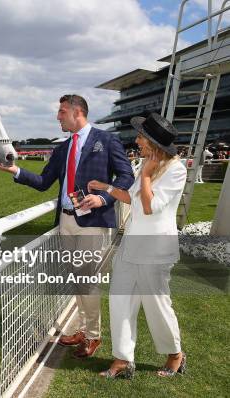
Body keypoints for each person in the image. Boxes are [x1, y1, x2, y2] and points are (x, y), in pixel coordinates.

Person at [0, 94, 134, 358]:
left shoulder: (107, 140)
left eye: (61, 112)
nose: (58, 117)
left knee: (87, 278)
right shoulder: (62, 149)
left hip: (93, 220)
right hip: (66, 220)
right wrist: (15, 171)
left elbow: (127, 176)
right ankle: (83, 328)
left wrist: (103, 197)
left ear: (77, 112)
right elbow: (44, 181)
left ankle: (93, 336)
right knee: (77, 278)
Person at [89, 113, 187, 379]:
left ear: (154, 143)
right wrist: (106, 188)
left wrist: (145, 175)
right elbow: (132, 198)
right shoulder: (145, 163)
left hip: (155, 250)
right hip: (130, 246)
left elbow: (150, 205)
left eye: (141, 137)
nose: (137, 141)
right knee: (120, 301)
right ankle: (122, 360)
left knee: (157, 305)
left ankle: (175, 354)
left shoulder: (176, 169)